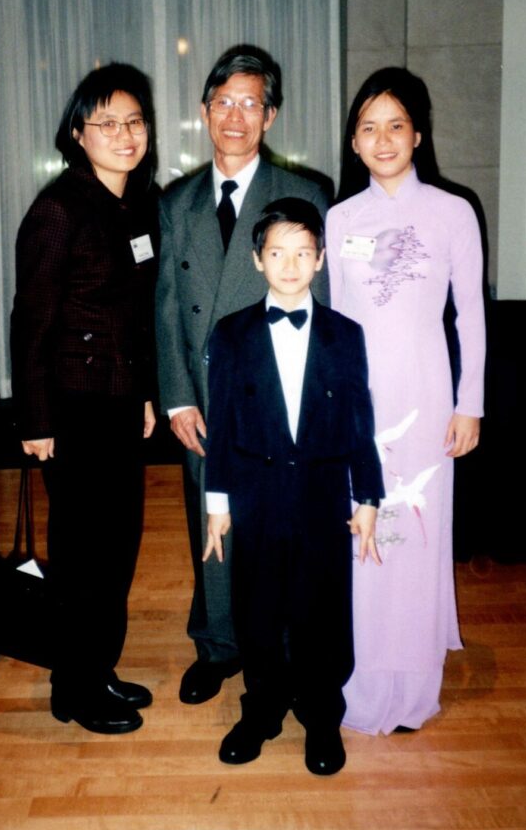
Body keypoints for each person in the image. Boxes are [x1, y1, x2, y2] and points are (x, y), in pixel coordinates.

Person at [156, 44, 330, 706]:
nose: (235, 116)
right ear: (204, 112)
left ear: (271, 115)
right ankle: (218, 643)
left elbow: (324, 304)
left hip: (278, 398)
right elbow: (167, 307)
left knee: (279, 524)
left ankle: (283, 643)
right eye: (223, 102)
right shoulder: (176, 202)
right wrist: (175, 398)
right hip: (205, 399)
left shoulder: (305, 194)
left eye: (250, 103)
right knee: (211, 521)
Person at [326, 67, 486, 735]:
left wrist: (469, 403)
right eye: (369, 127)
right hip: (359, 402)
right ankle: (362, 685)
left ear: (417, 135)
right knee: (367, 536)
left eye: (396, 125)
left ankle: (415, 688)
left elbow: (469, 316)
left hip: (427, 400)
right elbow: (333, 322)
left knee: (415, 536)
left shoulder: (453, 211)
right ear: (354, 143)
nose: (383, 138)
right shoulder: (339, 219)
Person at [203, 198, 383, 775]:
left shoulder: (344, 335)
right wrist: (217, 504)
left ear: (321, 258)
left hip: (322, 499)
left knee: (321, 611)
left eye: (304, 252)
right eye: (277, 252)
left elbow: (361, 420)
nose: (290, 263)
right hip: (255, 498)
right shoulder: (230, 335)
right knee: (257, 609)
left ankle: (322, 715)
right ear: (257, 260)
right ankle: (261, 710)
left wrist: (368, 498)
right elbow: (223, 424)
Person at [10, 63, 159, 735]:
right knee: (81, 555)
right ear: (77, 132)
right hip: (72, 410)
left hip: (122, 405)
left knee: (118, 544)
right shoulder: (59, 209)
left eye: (133, 121)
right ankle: (73, 689)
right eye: (106, 123)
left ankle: (97, 666)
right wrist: (35, 419)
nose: (123, 135)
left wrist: (148, 396)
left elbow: (138, 312)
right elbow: (32, 320)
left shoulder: (134, 203)